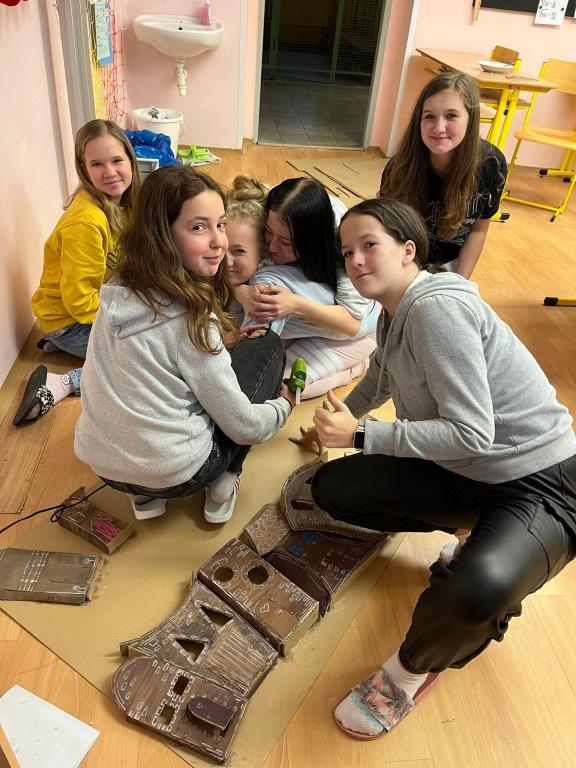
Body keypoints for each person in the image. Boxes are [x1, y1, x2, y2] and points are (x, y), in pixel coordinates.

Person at [300, 197, 576, 739]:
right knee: (333, 487)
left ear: (408, 250)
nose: (356, 260)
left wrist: (359, 435)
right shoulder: (394, 311)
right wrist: (338, 419)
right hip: (463, 469)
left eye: (369, 245)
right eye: (347, 251)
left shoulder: (436, 309)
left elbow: (474, 433)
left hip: (540, 480)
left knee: (478, 593)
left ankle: (408, 674)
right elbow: (380, 377)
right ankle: (476, 531)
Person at [74, 165, 295, 523]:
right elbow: (244, 426)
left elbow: (150, 364)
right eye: (198, 228)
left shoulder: (117, 289)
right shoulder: (193, 320)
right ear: (162, 235)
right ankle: (224, 479)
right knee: (268, 345)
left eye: (220, 224)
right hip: (178, 474)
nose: (219, 242)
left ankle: (143, 497)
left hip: (104, 467)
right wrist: (283, 406)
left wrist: (219, 347)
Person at [13, 119, 141, 426]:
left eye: (116, 160)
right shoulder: (85, 222)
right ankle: (60, 383)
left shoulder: (121, 203)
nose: (110, 172)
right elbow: (80, 302)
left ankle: (64, 347)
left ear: (130, 160)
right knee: (144, 361)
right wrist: (128, 321)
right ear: (84, 169)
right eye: (97, 164)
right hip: (69, 321)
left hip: (87, 308)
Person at [234, 176, 379, 399]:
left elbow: (354, 325)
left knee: (279, 387)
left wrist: (295, 305)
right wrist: (240, 292)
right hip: (313, 324)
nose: (272, 246)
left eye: (286, 242)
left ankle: (354, 368)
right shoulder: (275, 205)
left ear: (311, 242)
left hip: (360, 332)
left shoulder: (343, 243)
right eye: (268, 232)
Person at [379, 72, 506, 278]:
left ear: (471, 119)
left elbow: (478, 231)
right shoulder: (399, 167)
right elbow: (388, 232)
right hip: (404, 260)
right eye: (429, 116)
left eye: (451, 116)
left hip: (451, 263)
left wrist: (459, 283)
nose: (439, 128)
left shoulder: (492, 165)